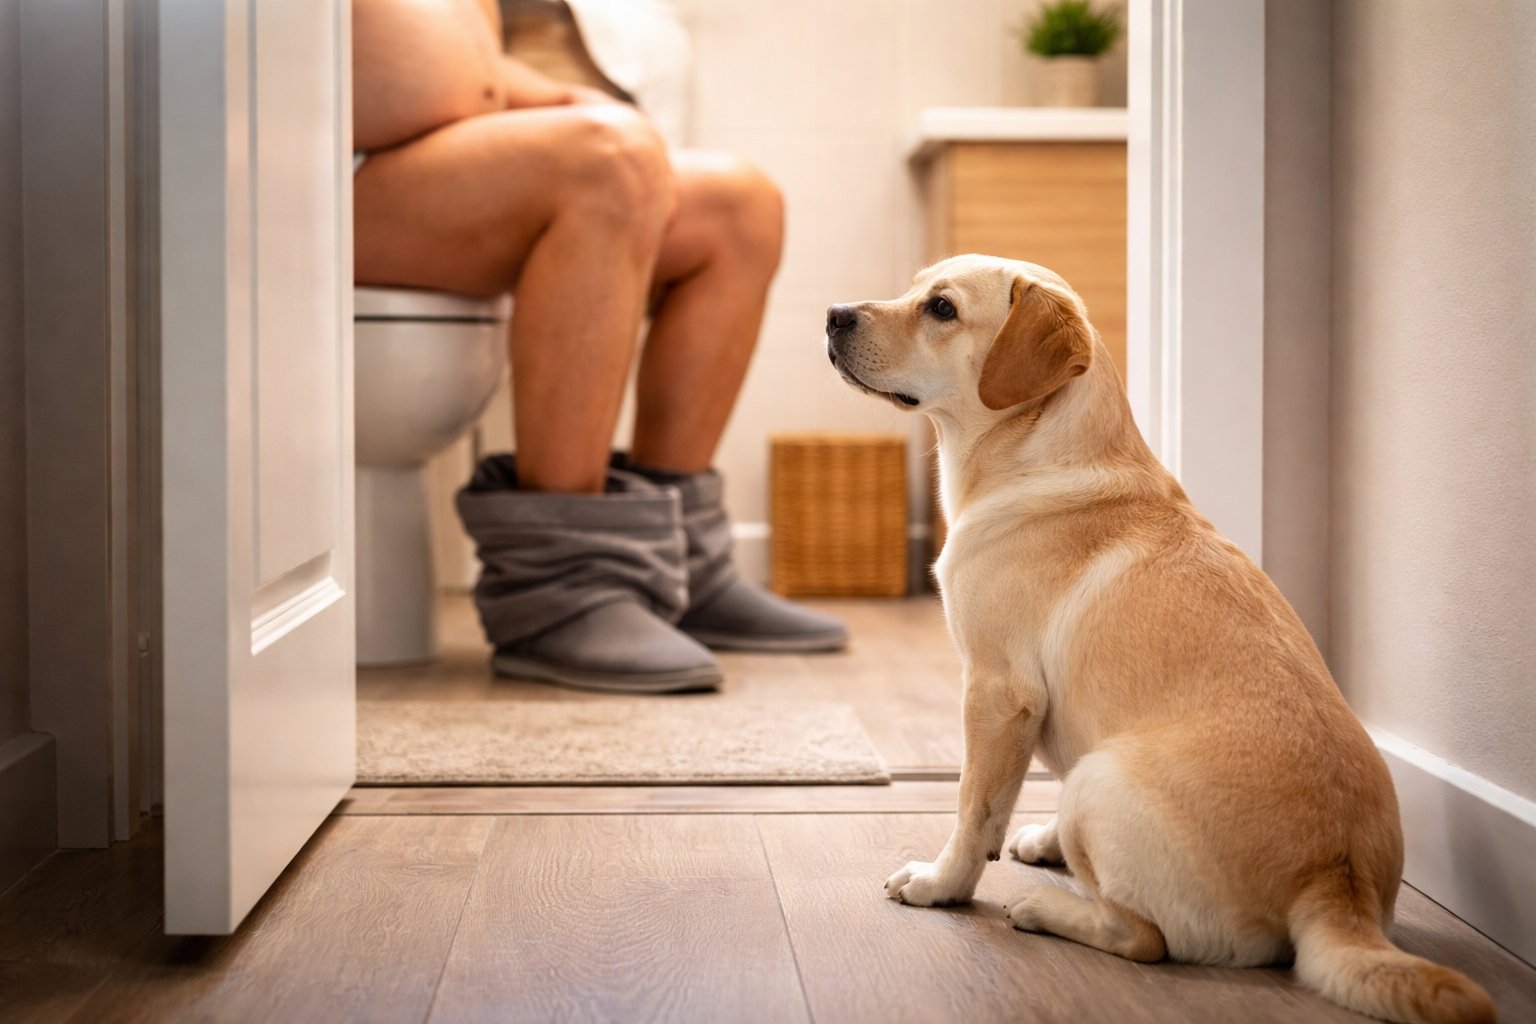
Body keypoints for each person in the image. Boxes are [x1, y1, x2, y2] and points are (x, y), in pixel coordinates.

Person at [352, 0, 846, 693]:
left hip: (417, 163)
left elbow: (461, 66)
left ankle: (676, 568)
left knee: (739, 205)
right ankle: (561, 590)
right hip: (315, 178)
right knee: (608, 158)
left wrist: (554, 97)